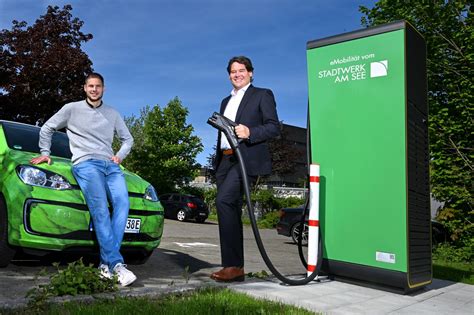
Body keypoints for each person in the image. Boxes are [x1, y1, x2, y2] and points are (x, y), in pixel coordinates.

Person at [30, 73, 137, 287]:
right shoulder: (72, 109)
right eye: (91, 86)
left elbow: (128, 139)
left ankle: (105, 265)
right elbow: (48, 127)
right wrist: (45, 151)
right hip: (85, 163)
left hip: (111, 165)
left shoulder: (112, 113)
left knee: (123, 204)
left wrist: (119, 156)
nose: (94, 89)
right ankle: (116, 265)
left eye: (98, 86)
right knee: (99, 208)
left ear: (103, 89)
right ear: (84, 88)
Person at [210, 56, 280, 282]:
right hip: (225, 161)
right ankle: (234, 266)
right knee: (226, 208)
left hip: (245, 158)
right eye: (232, 71)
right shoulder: (225, 101)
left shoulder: (262, 94)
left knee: (224, 201)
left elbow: (273, 127)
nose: (237, 74)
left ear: (251, 73)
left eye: (241, 70)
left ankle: (233, 266)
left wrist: (250, 132)